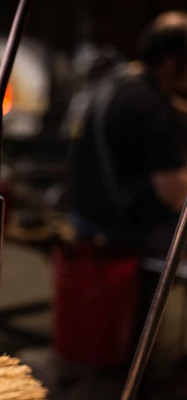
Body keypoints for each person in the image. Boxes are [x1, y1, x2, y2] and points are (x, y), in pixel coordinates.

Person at [70, 11, 187, 257]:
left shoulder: (121, 80)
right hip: (117, 232)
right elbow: (176, 196)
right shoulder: (151, 108)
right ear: (171, 63)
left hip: (84, 213)